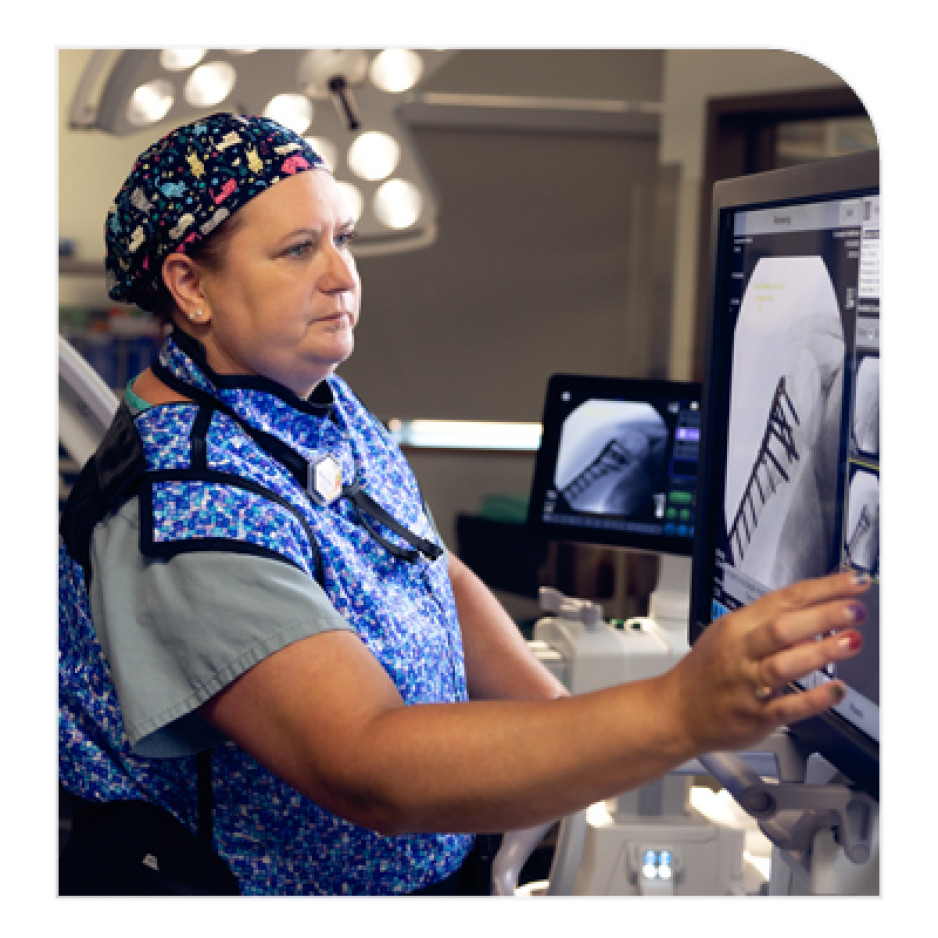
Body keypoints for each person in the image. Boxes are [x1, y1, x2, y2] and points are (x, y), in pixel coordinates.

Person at [58, 112, 869, 896]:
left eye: (341, 237)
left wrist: (559, 732)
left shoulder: (304, 397)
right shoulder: (183, 507)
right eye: (299, 250)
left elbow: (426, 567)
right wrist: (674, 711)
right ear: (190, 285)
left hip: (435, 868)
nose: (342, 276)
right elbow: (368, 767)